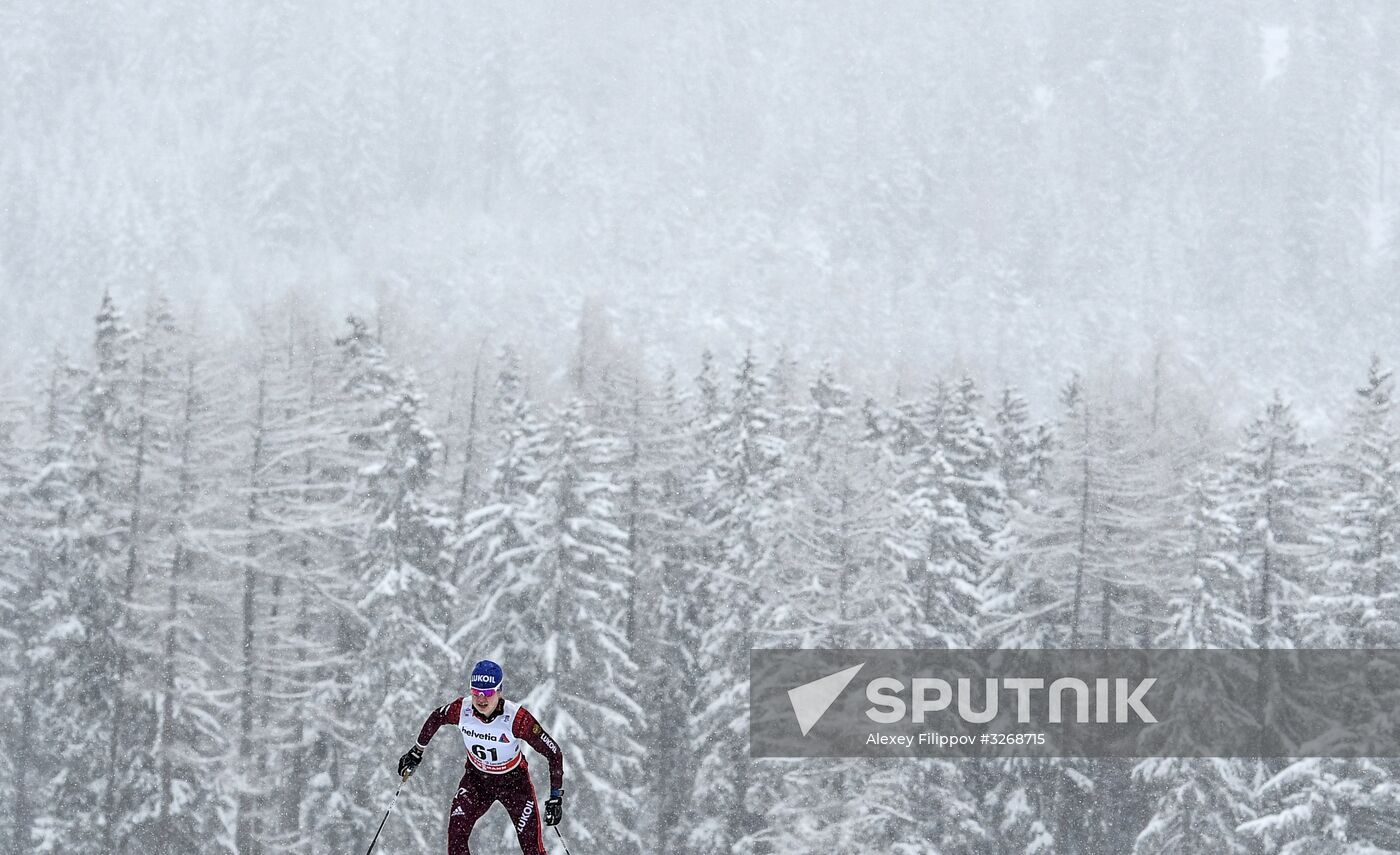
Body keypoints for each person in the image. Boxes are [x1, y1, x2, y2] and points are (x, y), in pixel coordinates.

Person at [398, 660, 564, 855]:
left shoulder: (517, 719)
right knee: (456, 839)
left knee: (532, 849)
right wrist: (416, 752)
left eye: (487, 693)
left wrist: (555, 797)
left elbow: (553, 752)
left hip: (514, 784)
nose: (481, 699)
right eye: (476, 692)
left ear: (499, 691)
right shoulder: (462, 709)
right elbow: (437, 717)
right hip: (476, 782)